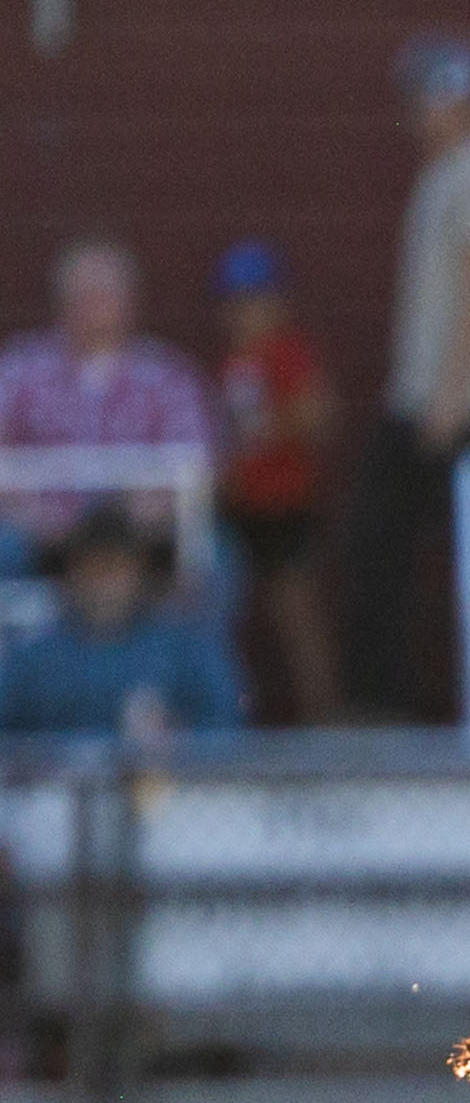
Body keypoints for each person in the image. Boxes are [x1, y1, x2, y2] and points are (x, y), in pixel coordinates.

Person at [339, 35, 470, 723]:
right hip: (427, 397)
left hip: (452, 403)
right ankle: (387, 699)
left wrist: (452, 391)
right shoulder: (446, 171)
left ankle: (388, 702)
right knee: (404, 550)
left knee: (403, 546)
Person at [0, 237, 216, 545]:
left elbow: (199, 459)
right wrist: (40, 518)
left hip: (145, 531)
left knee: (215, 556)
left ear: (129, 301)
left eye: (103, 296)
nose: (92, 308)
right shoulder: (19, 370)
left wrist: (137, 517)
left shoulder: (167, 375)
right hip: (35, 532)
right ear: (59, 303)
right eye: (81, 296)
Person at [208, 241, 339, 725]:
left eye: (255, 301)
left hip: (284, 504)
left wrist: (272, 424)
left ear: (278, 304)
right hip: (242, 508)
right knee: (228, 614)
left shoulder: (288, 354)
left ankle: (325, 715)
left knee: (296, 616)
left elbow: (319, 415)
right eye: (235, 304)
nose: (245, 314)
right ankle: (233, 714)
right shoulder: (231, 364)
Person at [0, 504, 239, 733]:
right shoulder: (34, 657)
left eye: (115, 568)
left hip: (163, 774)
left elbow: (227, 722)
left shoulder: (185, 649)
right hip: (56, 775)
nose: (103, 583)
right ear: (69, 574)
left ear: (141, 574)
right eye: (90, 568)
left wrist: (177, 733)